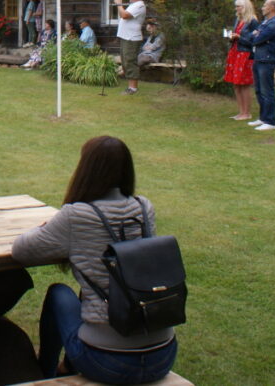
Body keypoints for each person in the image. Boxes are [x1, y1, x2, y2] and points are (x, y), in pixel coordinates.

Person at [11, 136, 177, 382]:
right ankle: (65, 367)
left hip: (108, 361)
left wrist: (45, 228)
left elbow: (21, 250)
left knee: (59, 293)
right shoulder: (144, 208)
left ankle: (45, 372)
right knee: (93, 291)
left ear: (86, 170)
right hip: (162, 355)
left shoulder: (77, 215)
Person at [240, 0, 275, 131]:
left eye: (265, 6)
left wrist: (255, 35)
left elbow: (257, 39)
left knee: (267, 91)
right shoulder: (265, 22)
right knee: (259, 90)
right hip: (258, 58)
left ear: (272, 8)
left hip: (267, 59)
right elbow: (253, 36)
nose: (262, 8)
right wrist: (255, 35)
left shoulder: (274, 24)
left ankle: (271, 121)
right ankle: (263, 118)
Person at [224, 0, 260, 121]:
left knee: (244, 84)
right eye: (236, 6)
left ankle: (247, 112)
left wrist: (239, 37)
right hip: (235, 53)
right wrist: (231, 37)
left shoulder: (253, 21)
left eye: (238, 6)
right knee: (236, 84)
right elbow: (237, 36)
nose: (236, 8)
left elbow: (254, 41)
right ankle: (240, 112)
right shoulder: (238, 20)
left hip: (245, 55)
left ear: (245, 7)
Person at [114, 0, 147, 94]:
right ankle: (130, 87)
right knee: (125, 61)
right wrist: (120, 6)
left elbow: (124, 15)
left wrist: (119, 4)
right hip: (126, 37)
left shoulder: (140, 5)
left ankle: (133, 88)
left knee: (130, 61)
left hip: (132, 38)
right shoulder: (134, 5)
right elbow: (122, 14)